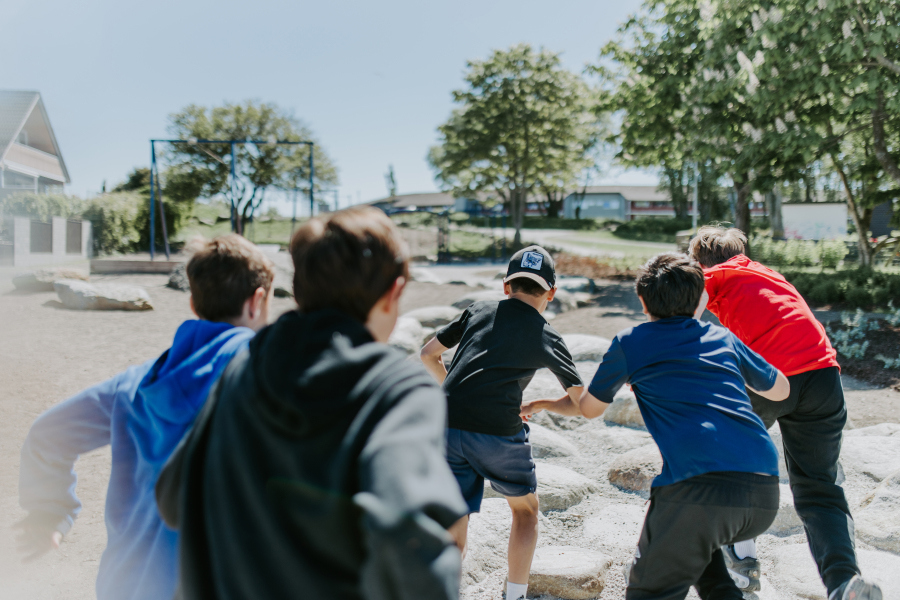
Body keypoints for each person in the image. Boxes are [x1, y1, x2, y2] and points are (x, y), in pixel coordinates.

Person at [156, 206, 467, 600]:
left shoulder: (244, 365)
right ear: (394, 293)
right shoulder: (396, 389)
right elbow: (406, 538)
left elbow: (172, 498)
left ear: (298, 290)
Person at [16, 234, 276, 600]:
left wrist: (49, 511)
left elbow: (48, 434)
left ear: (192, 303)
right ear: (258, 301)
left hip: (128, 583)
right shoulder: (264, 375)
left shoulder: (133, 384)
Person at [521, 252, 791, 600]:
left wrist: (541, 402)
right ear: (699, 301)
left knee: (648, 591)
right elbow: (780, 388)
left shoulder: (632, 342)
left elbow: (588, 409)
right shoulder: (721, 338)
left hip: (696, 491)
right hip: (763, 492)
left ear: (642, 300)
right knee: (705, 566)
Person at [689, 226, 883, 600]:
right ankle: (844, 583)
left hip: (771, 376)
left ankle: (743, 571)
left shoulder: (714, 273)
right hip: (824, 378)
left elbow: (688, 309)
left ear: (700, 261)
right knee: (820, 487)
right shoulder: (768, 274)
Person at [420, 245, 584, 600]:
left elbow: (427, 354)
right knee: (526, 511)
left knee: (453, 518)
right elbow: (579, 403)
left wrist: (454, 391)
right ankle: (514, 596)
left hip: (447, 425)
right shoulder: (545, 333)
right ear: (551, 294)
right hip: (497, 432)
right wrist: (542, 405)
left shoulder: (478, 309)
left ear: (506, 286)